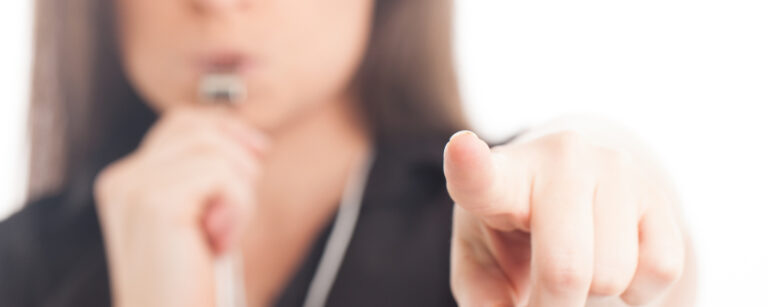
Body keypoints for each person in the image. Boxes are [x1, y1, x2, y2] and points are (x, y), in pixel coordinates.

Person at [0, 0, 696, 306]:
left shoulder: (503, 231)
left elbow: (645, 266)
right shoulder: (23, 265)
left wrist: (605, 201)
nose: (217, 2)